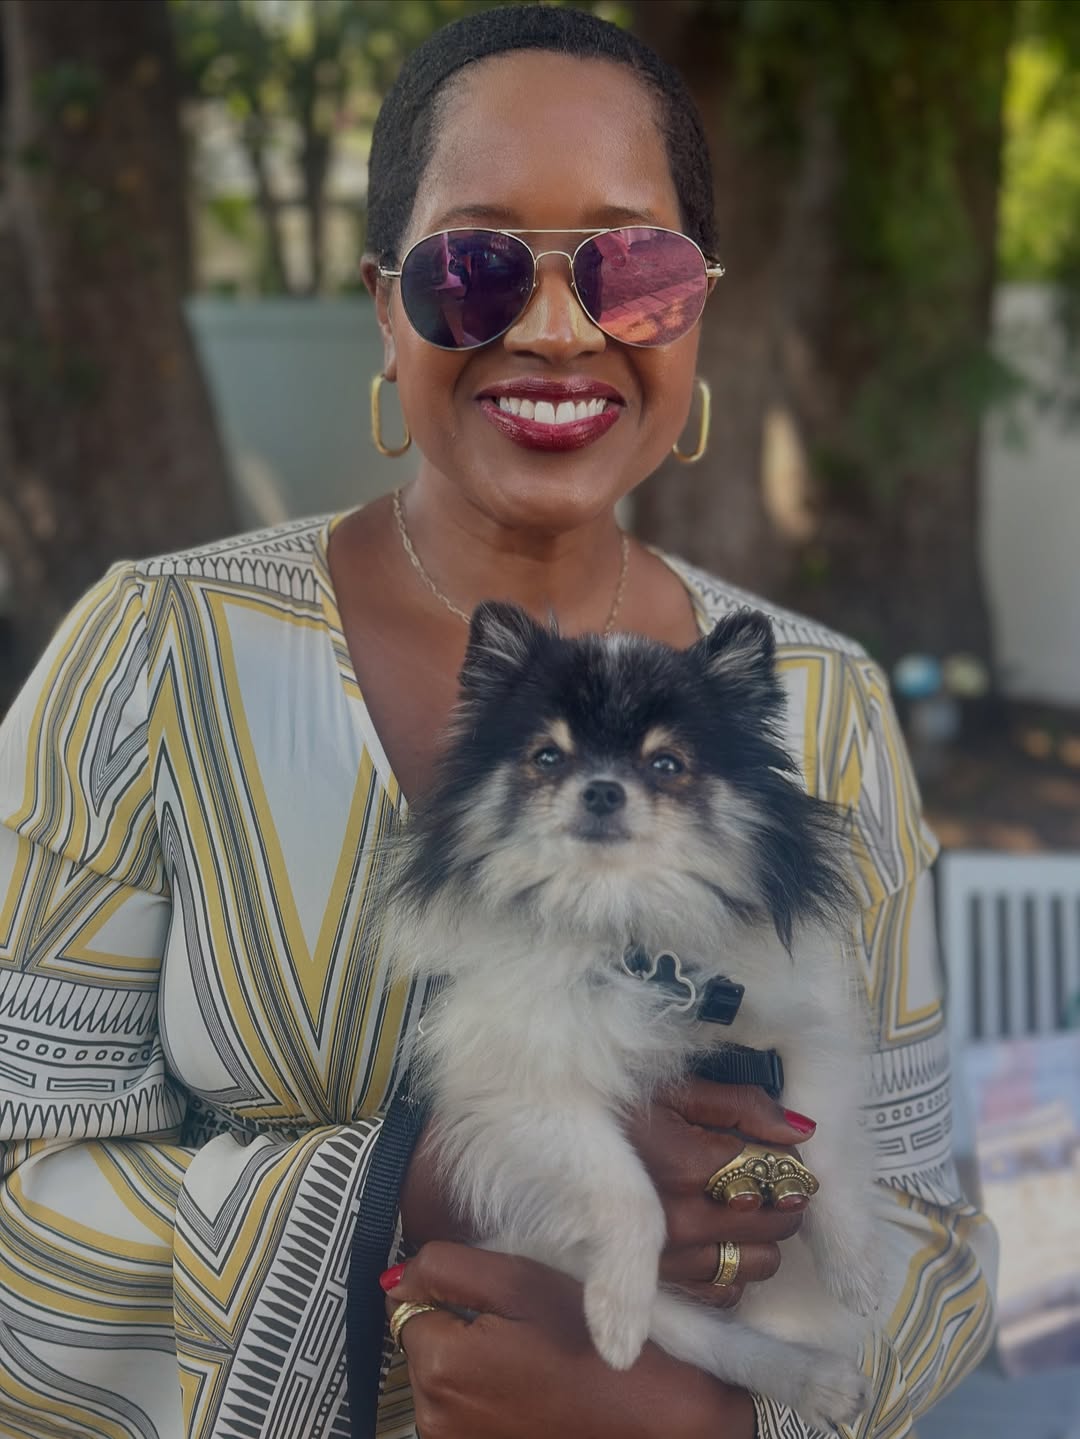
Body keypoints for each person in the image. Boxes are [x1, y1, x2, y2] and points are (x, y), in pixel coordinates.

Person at [0, 6, 996, 1438]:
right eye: (473, 265)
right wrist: (426, 1182)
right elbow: (19, 1210)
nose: (552, 326)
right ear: (385, 302)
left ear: (696, 301)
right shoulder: (153, 657)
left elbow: (927, 1231)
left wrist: (718, 1416)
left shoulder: (822, 707)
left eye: (630, 266)